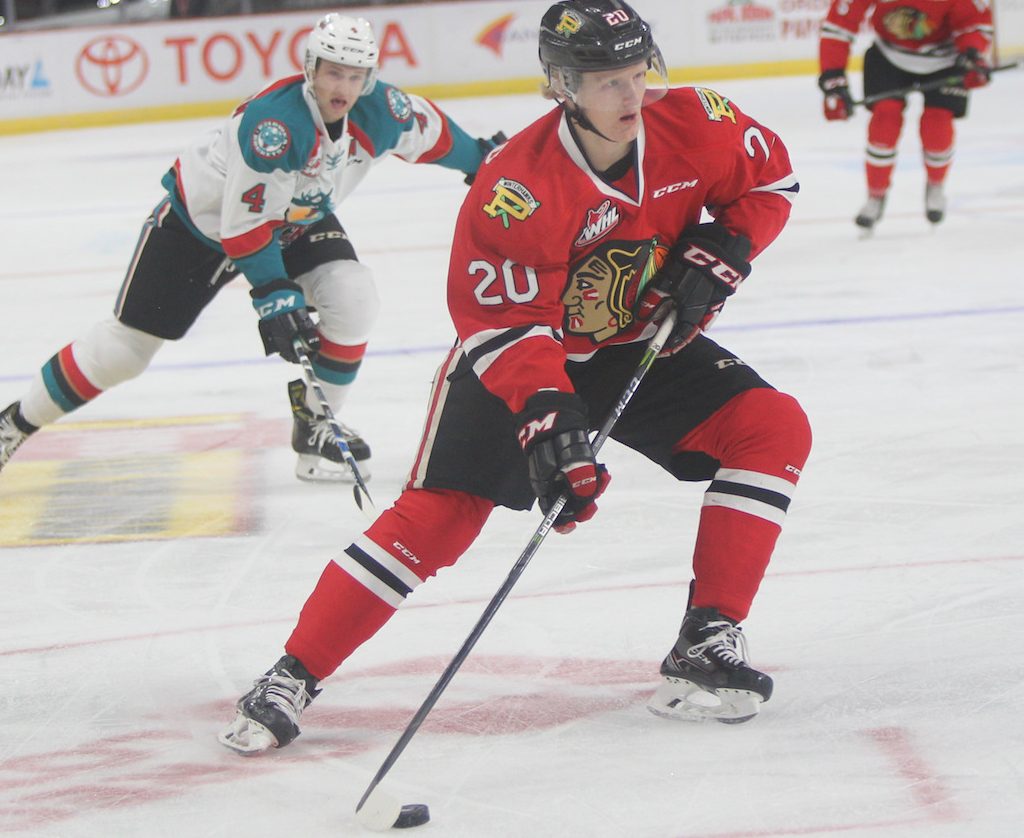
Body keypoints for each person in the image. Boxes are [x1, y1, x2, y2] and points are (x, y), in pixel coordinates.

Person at [219, 0, 811, 755]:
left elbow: (772, 182)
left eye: (639, 74)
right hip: (524, 361)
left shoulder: (697, 122)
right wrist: (551, 421)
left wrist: (724, 247)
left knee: (771, 427)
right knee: (440, 517)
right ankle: (291, 674)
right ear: (562, 84)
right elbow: (501, 323)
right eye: (608, 82)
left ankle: (708, 636)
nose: (633, 97)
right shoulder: (516, 184)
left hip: (637, 345)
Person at [0, 13, 502, 483]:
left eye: (354, 76)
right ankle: (16, 422)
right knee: (124, 352)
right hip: (200, 228)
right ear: (311, 69)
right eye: (332, 73)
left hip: (295, 220)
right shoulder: (275, 127)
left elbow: (431, 133)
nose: (342, 88)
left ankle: (315, 431)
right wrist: (275, 296)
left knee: (353, 297)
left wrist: (480, 161)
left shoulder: (382, 109)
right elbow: (243, 227)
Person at [818, 0, 994, 230]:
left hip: (945, 58)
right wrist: (833, 78)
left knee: (937, 123)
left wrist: (972, 52)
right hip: (889, 54)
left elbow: (974, 21)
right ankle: (876, 194)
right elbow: (839, 24)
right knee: (885, 118)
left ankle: (936, 184)